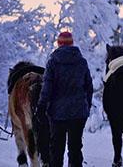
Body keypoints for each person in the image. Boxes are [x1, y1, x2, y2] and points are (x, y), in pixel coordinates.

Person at [37, 31, 93, 167]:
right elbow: (88, 87)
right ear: (72, 43)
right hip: (78, 112)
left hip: (57, 113)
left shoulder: (53, 63)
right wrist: (86, 106)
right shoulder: (82, 62)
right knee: (75, 148)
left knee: (56, 149)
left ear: (59, 43)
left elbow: (47, 88)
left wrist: (41, 106)